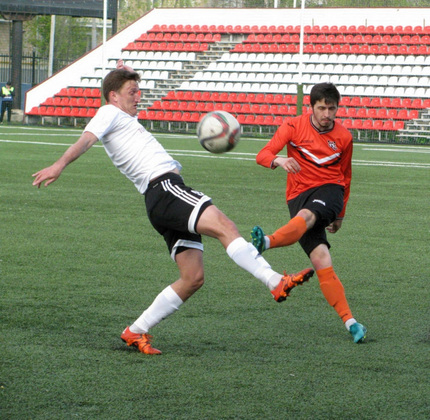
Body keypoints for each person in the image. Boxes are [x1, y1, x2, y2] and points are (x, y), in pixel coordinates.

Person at [32, 60, 313, 355]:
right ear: (113, 96)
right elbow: (86, 140)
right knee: (225, 227)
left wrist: (122, 73)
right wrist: (59, 165)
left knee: (192, 278)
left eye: (138, 91)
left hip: (158, 199)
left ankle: (135, 331)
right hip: (165, 189)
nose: (138, 96)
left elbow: (114, 103)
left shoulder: (120, 116)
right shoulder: (108, 112)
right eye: (132, 92)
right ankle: (274, 281)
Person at [251, 82, 366, 344]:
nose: (327, 114)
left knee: (307, 216)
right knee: (321, 258)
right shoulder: (293, 126)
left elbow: (346, 176)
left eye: (332, 109)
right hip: (298, 194)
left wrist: (341, 214)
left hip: (331, 190)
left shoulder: (344, 137)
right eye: (322, 108)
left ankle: (266, 242)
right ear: (311, 106)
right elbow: (263, 155)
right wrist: (279, 160)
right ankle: (351, 323)